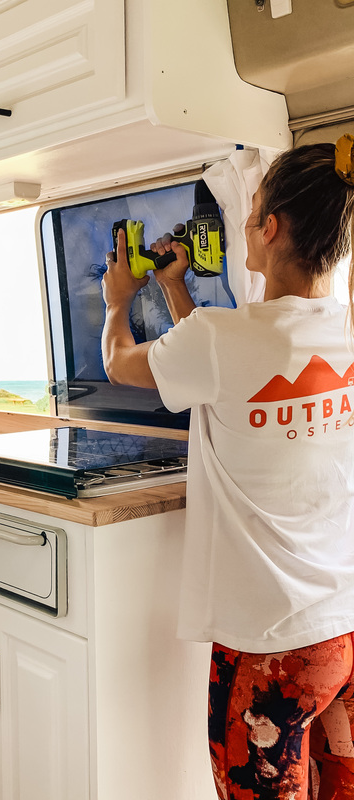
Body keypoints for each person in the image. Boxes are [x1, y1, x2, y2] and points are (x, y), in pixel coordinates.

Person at [101, 137, 354, 799]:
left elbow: (121, 363)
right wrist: (175, 287)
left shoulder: (219, 339)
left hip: (269, 643)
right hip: (344, 628)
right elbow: (227, 373)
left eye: (250, 217)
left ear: (269, 228)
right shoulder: (343, 331)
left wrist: (115, 300)